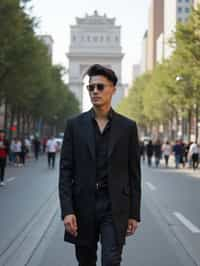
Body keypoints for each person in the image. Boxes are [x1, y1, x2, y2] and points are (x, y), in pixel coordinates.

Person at [59, 64, 141, 266]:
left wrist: (134, 213)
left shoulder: (128, 127)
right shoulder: (74, 125)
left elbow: (134, 174)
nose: (95, 91)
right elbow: (65, 172)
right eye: (91, 87)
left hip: (114, 206)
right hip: (83, 205)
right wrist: (67, 210)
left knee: (111, 260)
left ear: (113, 89)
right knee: (86, 261)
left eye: (100, 87)